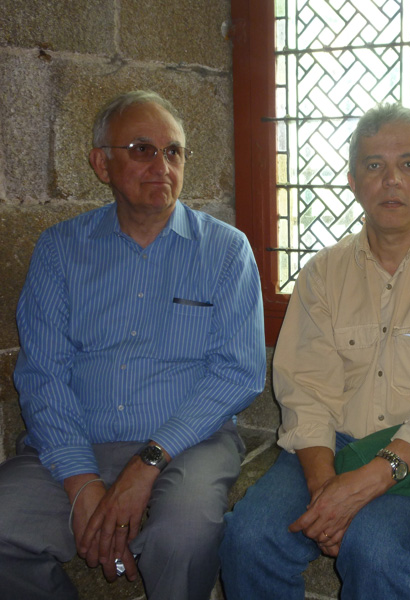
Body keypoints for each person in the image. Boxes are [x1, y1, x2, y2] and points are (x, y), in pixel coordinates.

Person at [219, 103, 410, 599]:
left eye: (408, 164)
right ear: (353, 181)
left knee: (374, 546)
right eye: (374, 165)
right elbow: (305, 388)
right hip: (331, 445)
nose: (392, 180)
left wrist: (367, 482)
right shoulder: (323, 272)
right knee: (248, 538)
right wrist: (325, 490)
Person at [0, 90, 267, 600]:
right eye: (143, 149)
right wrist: (82, 483)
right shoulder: (60, 250)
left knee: (183, 534)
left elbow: (239, 372)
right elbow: (42, 375)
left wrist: (147, 463)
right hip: (80, 438)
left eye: (174, 152)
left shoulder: (226, 251)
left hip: (190, 443)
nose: (162, 166)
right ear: (102, 163)